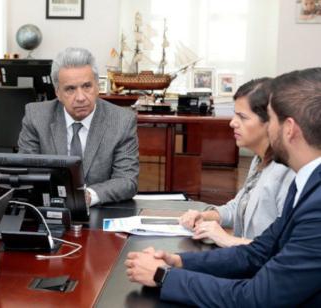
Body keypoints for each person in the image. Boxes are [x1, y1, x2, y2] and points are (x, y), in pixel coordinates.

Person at [125, 67, 321, 307]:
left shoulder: (316, 204)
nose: (269, 129)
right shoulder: (307, 182)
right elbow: (258, 253)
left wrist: (163, 276)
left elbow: (257, 299)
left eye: (272, 120)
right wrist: (177, 261)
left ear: (289, 129)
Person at [179, 78, 294, 247]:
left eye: (242, 117)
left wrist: (227, 239)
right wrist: (207, 215)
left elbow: (284, 251)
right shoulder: (260, 159)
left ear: (271, 122)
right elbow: (239, 207)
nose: (232, 123)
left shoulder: (288, 172)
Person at [17, 47, 139, 206]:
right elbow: (26, 172)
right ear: (57, 93)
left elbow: (127, 181)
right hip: (50, 208)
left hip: (100, 211)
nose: (80, 97)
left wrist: (88, 196)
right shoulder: (36, 116)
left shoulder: (122, 121)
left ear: (97, 87)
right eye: (70, 89)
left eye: (87, 86)